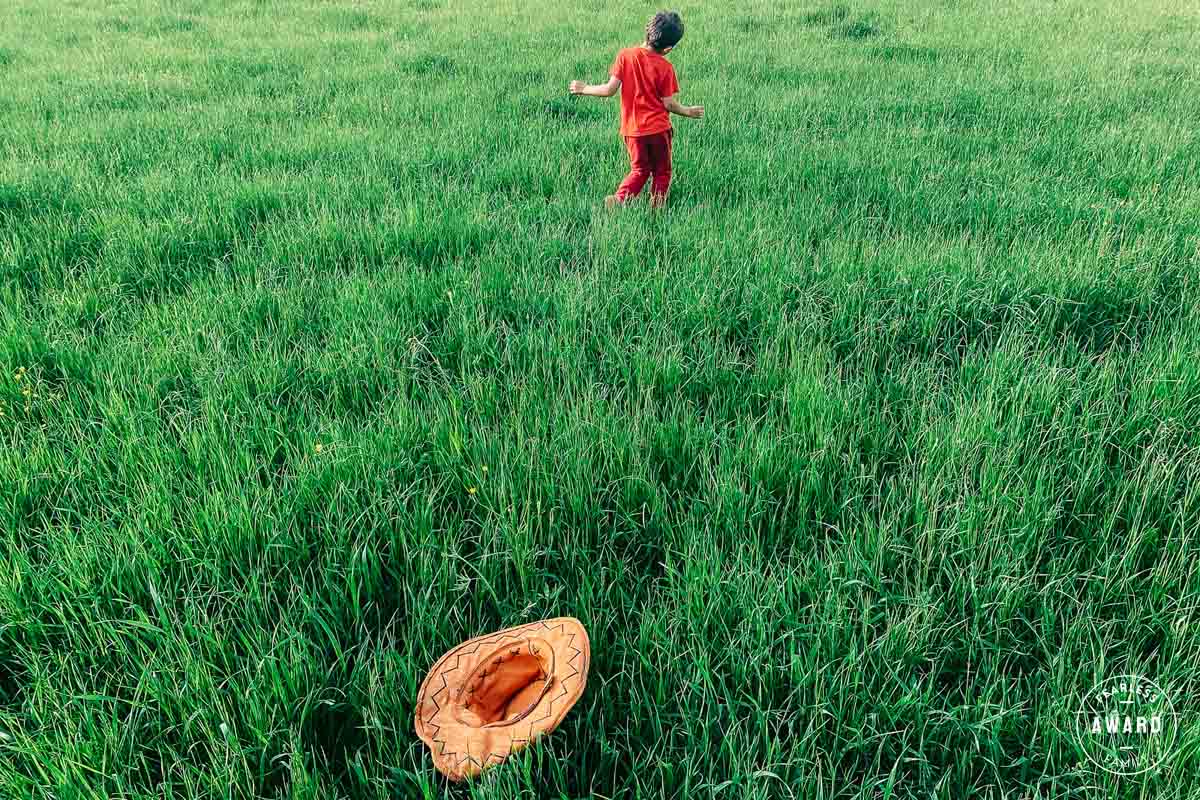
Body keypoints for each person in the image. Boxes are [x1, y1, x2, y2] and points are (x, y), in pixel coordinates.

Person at [568, 11, 704, 208]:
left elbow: (609, 90)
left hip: (632, 131)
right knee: (662, 172)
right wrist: (688, 111)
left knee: (639, 170)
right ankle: (657, 209)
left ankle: (619, 199)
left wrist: (584, 88)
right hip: (658, 131)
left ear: (647, 31)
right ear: (667, 49)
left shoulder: (625, 56)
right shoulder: (665, 68)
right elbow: (669, 104)